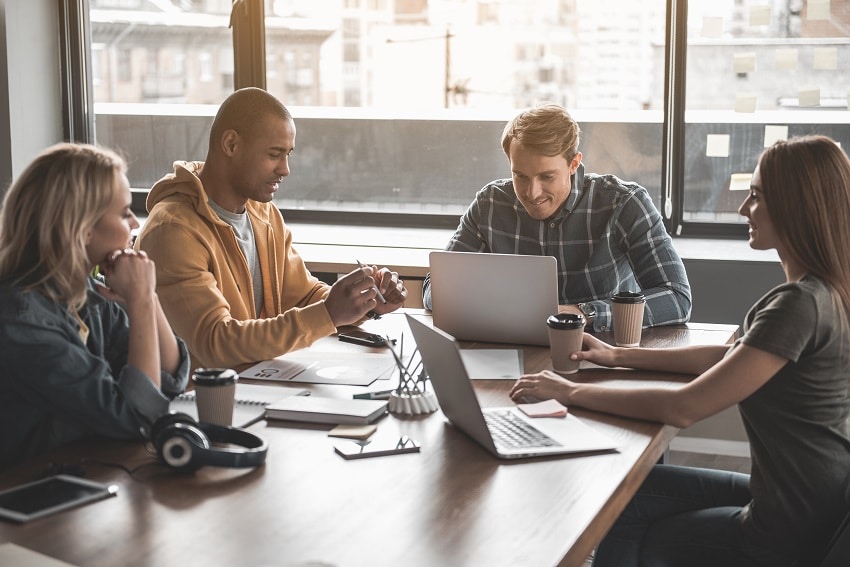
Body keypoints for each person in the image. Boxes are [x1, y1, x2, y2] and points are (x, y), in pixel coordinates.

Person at [510, 135, 850, 566]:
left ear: (796, 205)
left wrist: (567, 392)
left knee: (624, 517)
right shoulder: (820, 293)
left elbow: (685, 407)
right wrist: (617, 356)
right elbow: (727, 357)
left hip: (788, 527)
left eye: (756, 196)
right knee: (626, 490)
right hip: (810, 499)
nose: (744, 207)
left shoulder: (798, 306)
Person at [136, 87, 407, 372]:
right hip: (204, 403)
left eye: (288, 154)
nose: (285, 169)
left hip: (260, 383)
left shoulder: (262, 213)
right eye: (275, 154)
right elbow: (216, 342)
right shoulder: (172, 231)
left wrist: (364, 301)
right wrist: (329, 313)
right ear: (230, 144)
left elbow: (302, 296)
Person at [0, 143, 190, 467]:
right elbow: (137, 414)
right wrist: (141, 301)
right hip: (24, 495)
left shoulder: (84, 294)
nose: (135, 223)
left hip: (78, 477)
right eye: (123, 212)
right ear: (84, 229)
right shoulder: (22, 319)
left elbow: (167, 379)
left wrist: (147, 297)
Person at [422, 103, 691, 332]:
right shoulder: (490, 204)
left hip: (603, 353)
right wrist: (495, 308)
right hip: (511, 353)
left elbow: (676, 298)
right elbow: (435, 289)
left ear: (574, 164)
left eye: (547, 176)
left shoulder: (624, 203)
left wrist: (585, 314)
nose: (532, 192)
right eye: (520, 176)